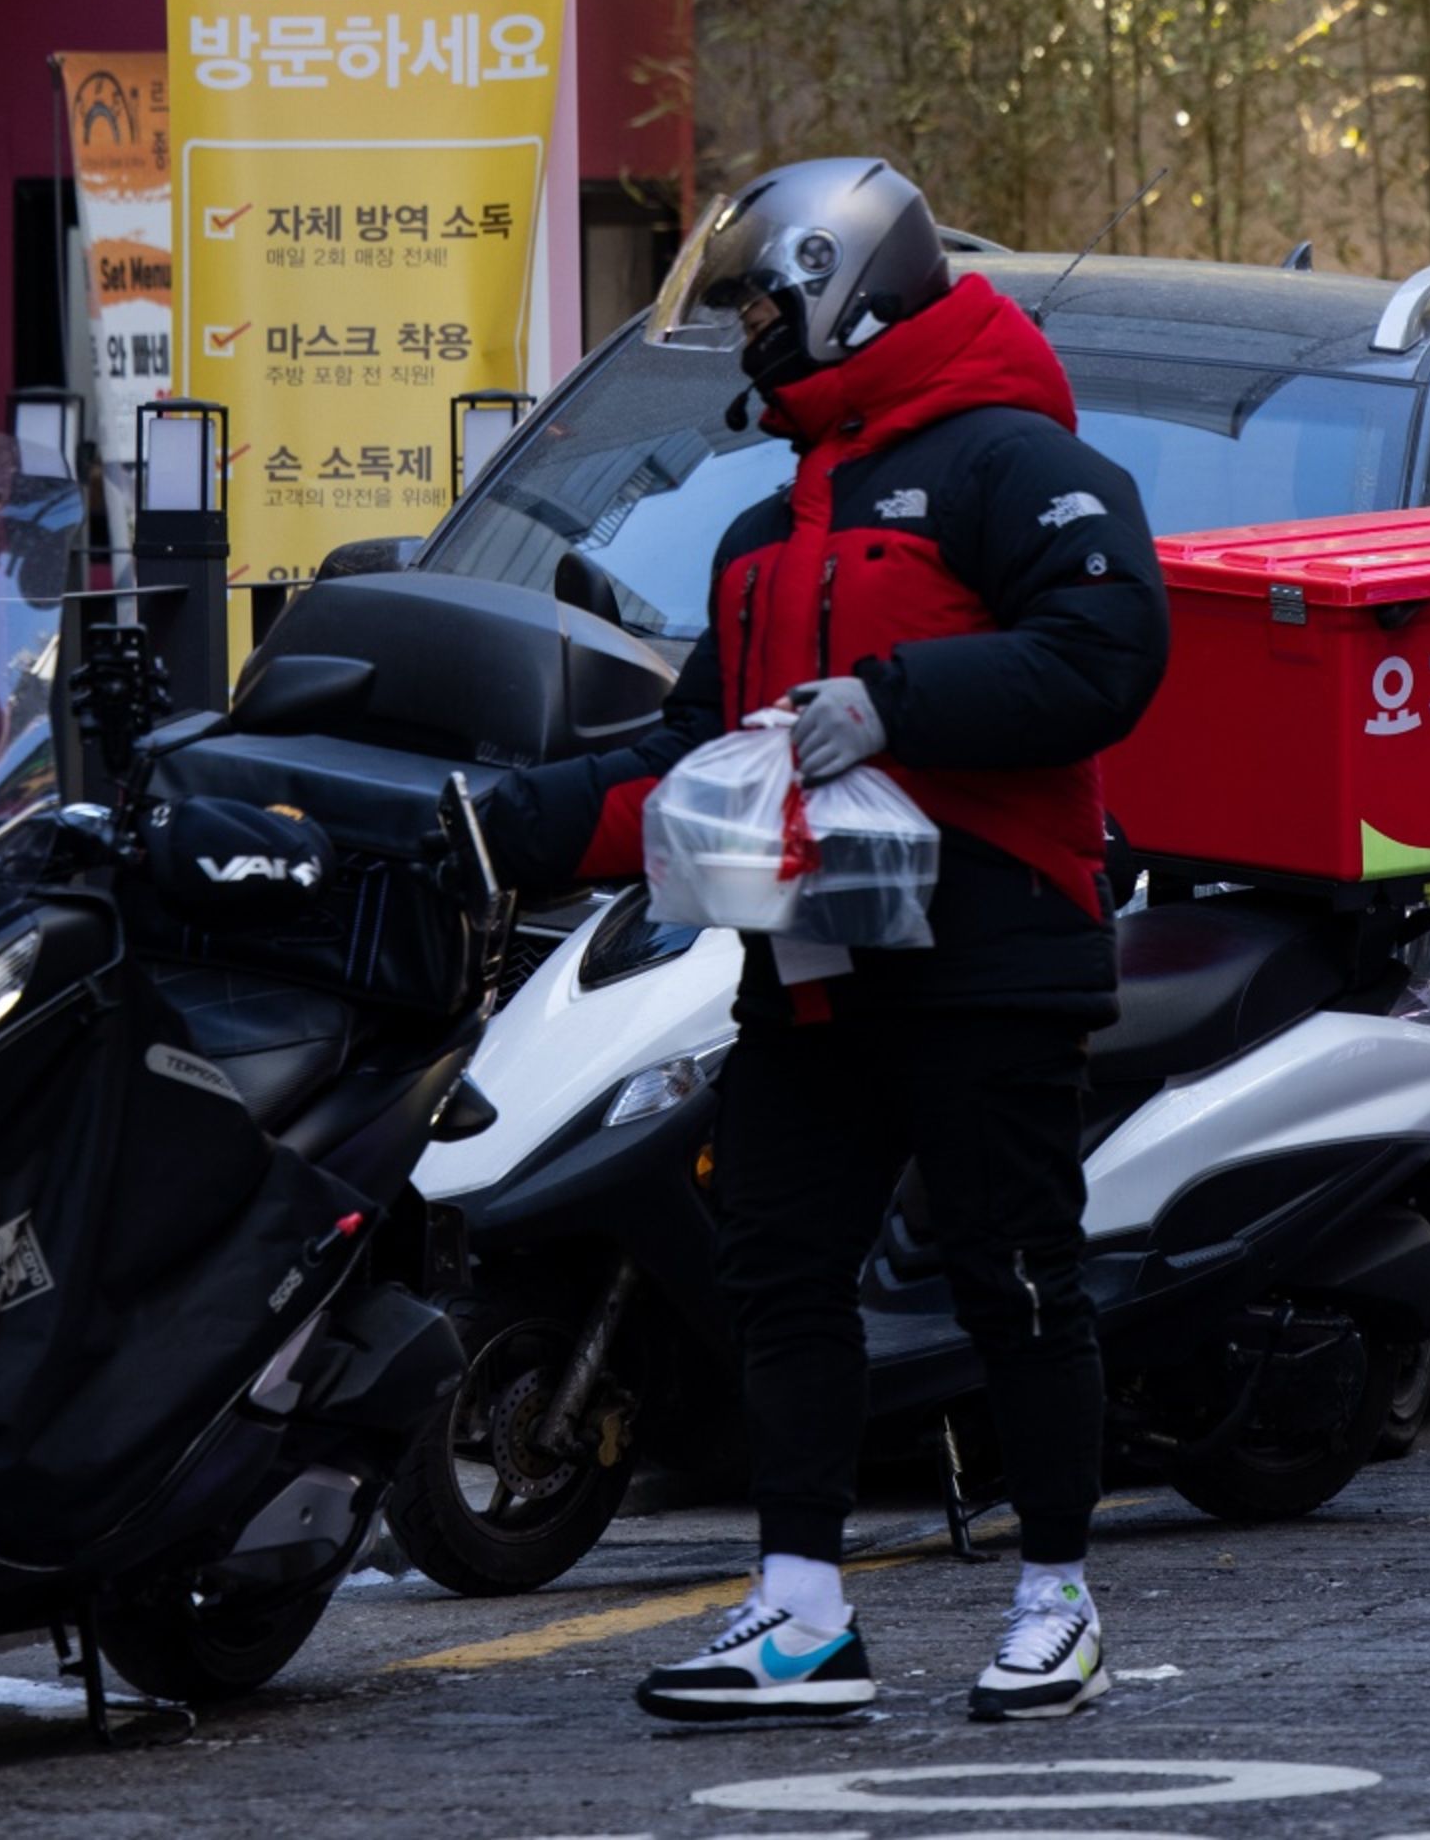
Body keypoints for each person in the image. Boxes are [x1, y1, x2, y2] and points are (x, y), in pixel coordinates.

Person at [475, 158, 1170, 1723]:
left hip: (993, 953)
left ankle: (1058, 1598)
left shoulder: (1013, 462)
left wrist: (895, 705)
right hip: (808, 967)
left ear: (841, 281)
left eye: (761, 302)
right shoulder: (757, 528)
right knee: (777, 1272)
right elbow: (697, 754)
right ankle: (799, 1616)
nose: (748, 334)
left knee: (1018, 1278)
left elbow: (1111, 650)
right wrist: (504, 821)